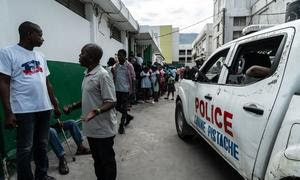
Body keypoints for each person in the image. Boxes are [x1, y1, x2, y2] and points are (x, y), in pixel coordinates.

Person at [0, 21, 61, 180]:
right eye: (39, 35)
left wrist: (55, 104)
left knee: (42, 145)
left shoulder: (41, 56)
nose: (42, 38)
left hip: (44, 108)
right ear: (29, 34)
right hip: (23, 110)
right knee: (25, 148)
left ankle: (42, 175)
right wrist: (8, 113)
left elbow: (47, 83)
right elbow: (4, 83)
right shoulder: (8, 52)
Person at [64, 43, 117, 180]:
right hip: (91, 128)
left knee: (107, 162)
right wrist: (73, 106)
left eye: (83, 53)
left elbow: (111, 101)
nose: (79, 56)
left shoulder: (103, 75)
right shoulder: (87, 74)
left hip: (103, 129)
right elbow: (90, 98)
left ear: (92, 57)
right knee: (97, 161)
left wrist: (96, 111)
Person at [112, 49, 135, 134]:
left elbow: (133, 78)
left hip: (126, 90)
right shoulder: (116, 66)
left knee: (124, 107)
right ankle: (128, 117)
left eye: (121, 55)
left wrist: (133, 91)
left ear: (125, 56)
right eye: (118, 55)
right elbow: (115, 77)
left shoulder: (129, 66)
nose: (119, 57)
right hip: (117, 90)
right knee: (117, 107)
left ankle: (121, 125)